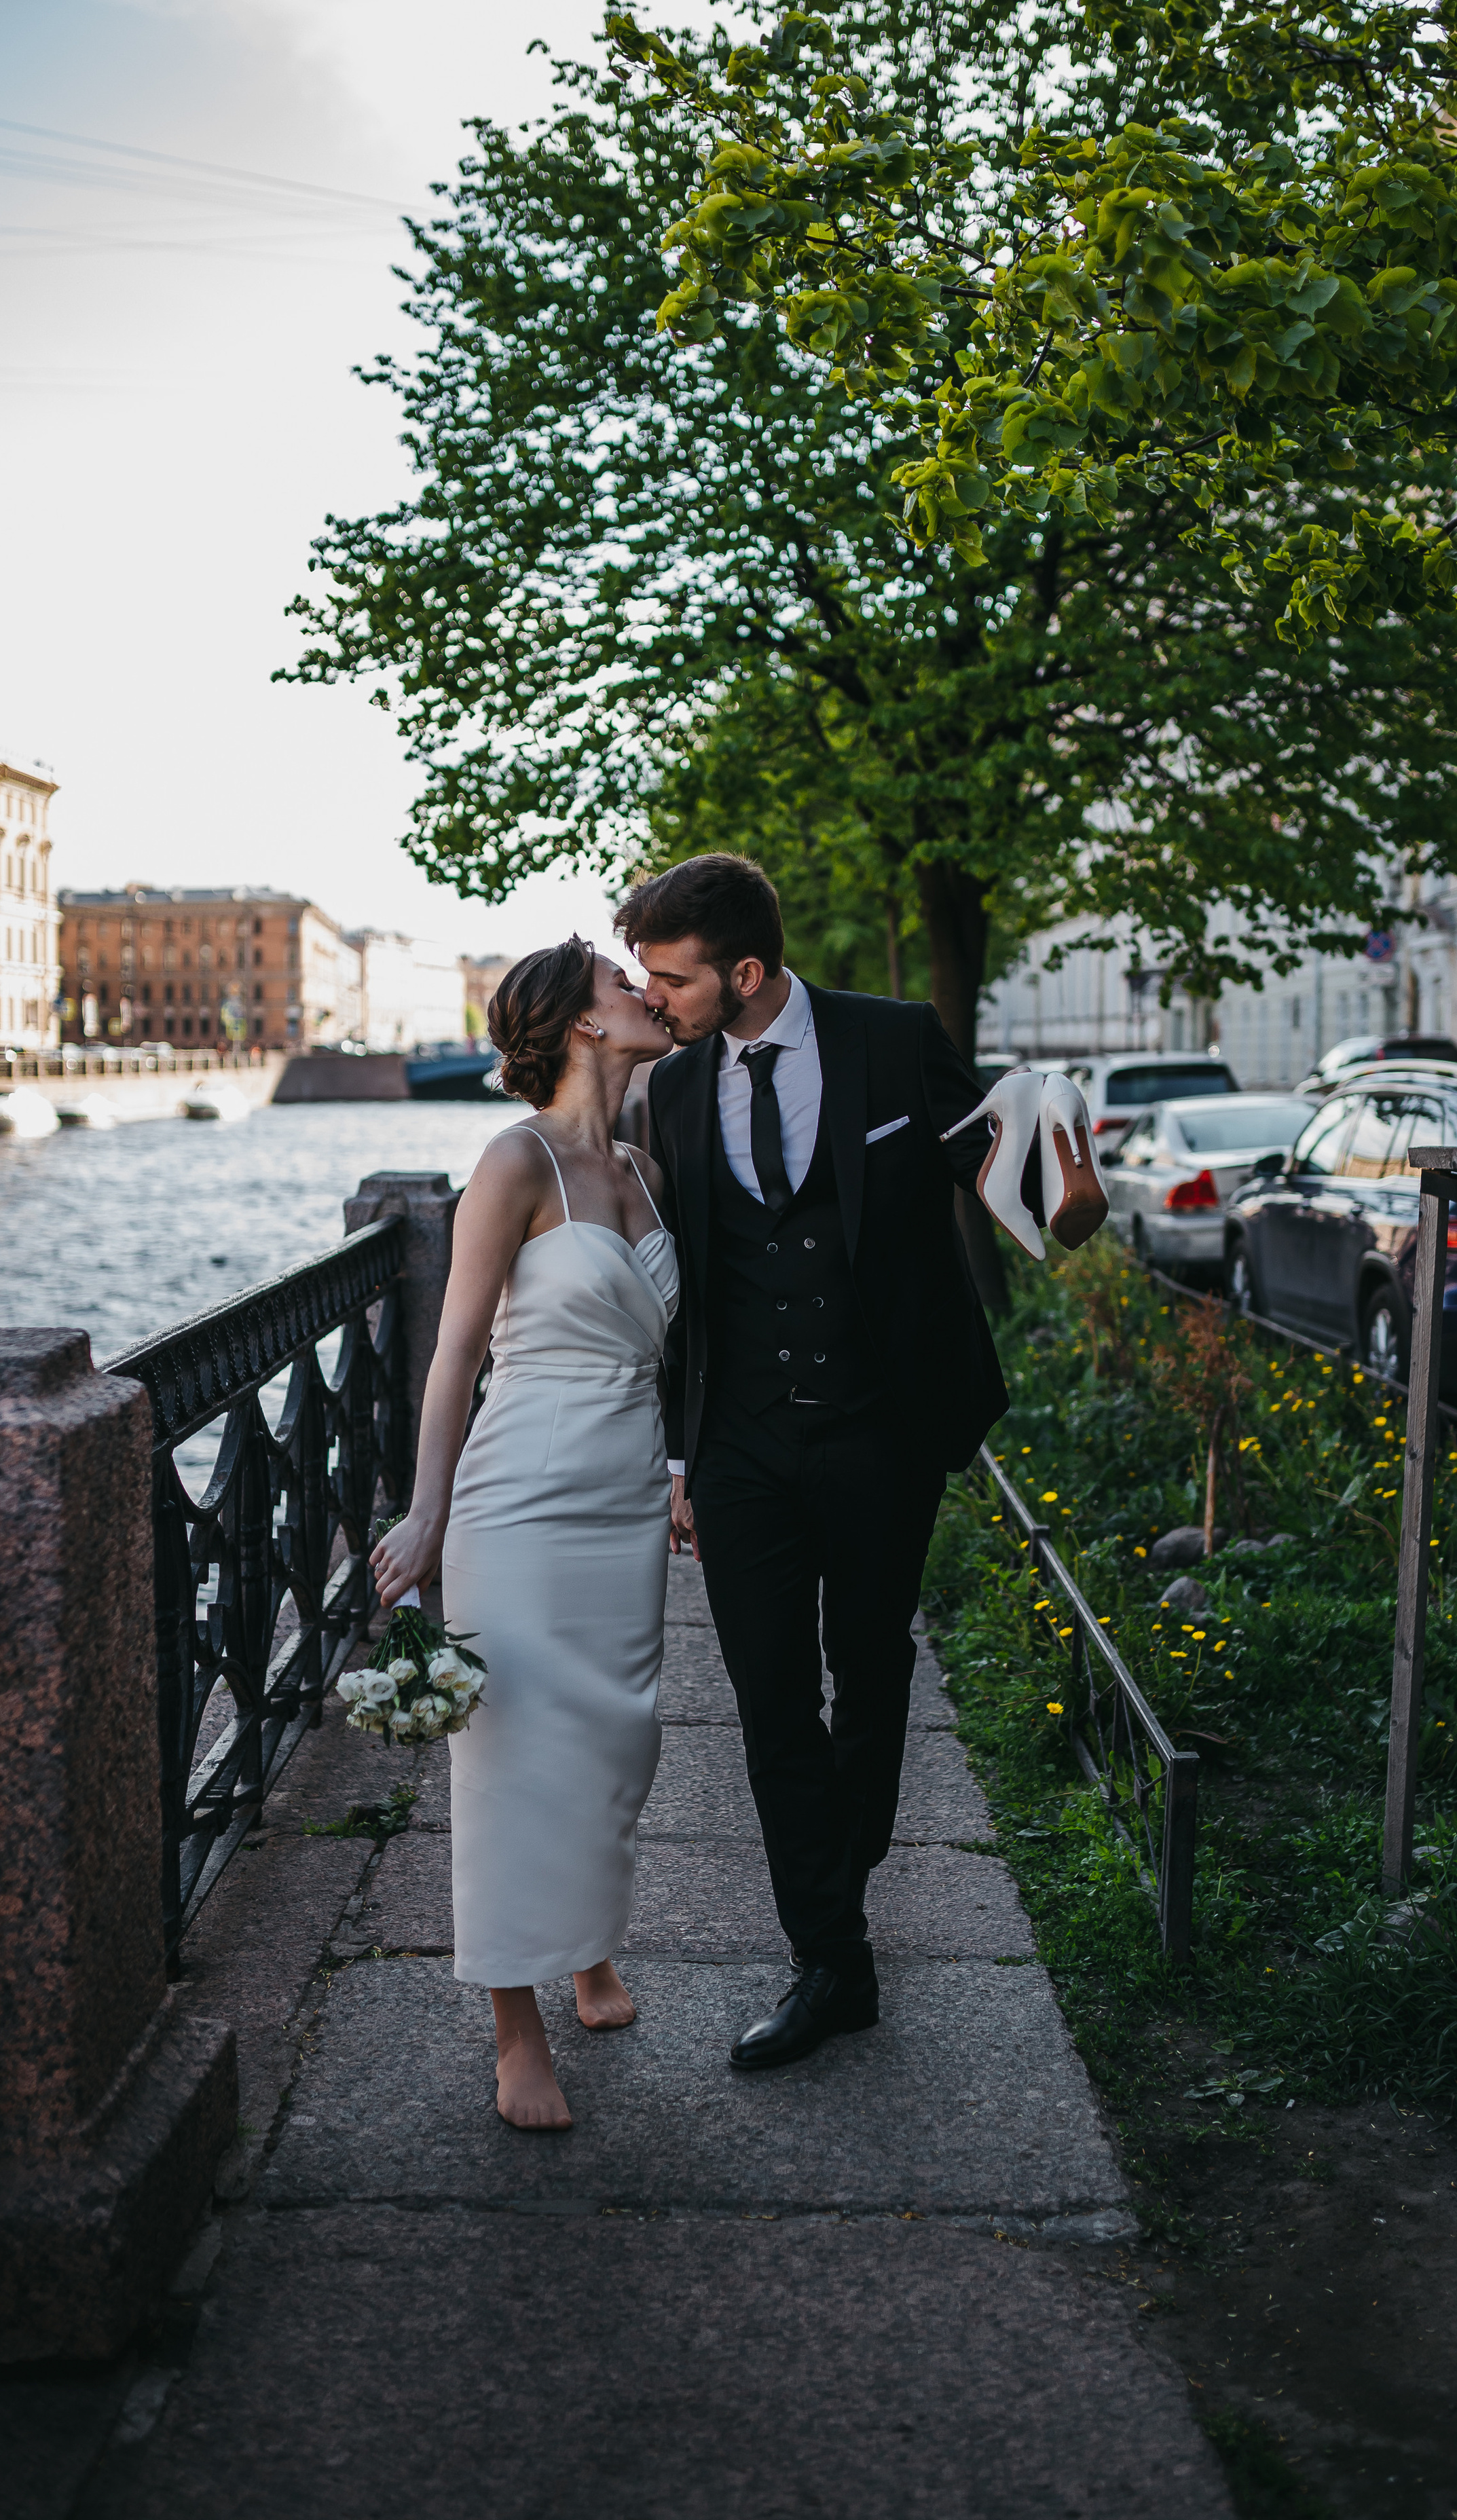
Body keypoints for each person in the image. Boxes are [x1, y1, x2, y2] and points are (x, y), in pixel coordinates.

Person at [614, 852, 1052, 2072]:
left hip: (884, 1428)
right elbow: (688, 1289)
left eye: (674, 980)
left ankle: (839, 1871)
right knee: (768, 1701)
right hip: (744, 1443)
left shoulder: (895, 1040)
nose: (657, 1000)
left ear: (744, 972)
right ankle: (829, 1960)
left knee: (869, 1674)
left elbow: (1007, 1182)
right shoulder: (674, 1087)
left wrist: (1059, 1152)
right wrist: (678, 1459)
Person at [371, 938, 676, 2132]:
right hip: (524, 1494)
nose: (647, 994)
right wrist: (427, 1507)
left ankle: (589, 1949)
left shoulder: (647, 1170)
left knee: (618, 1741)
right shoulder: (515, 1160)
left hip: (626, 1495)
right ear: (582, 1025)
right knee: (514, 1757)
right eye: (622, 983)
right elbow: (455, 1349)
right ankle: (514, 2029)